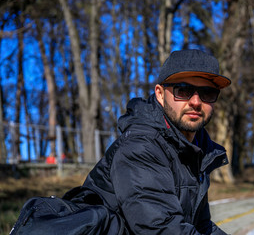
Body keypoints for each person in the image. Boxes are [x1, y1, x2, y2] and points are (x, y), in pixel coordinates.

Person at [78, 49, 231, 234]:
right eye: (183, 91)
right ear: (159, 94)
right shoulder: (140, 147)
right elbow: (162, 229)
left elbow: (202, 226)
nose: (196, 102)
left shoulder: (195, 150)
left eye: (207, 93)